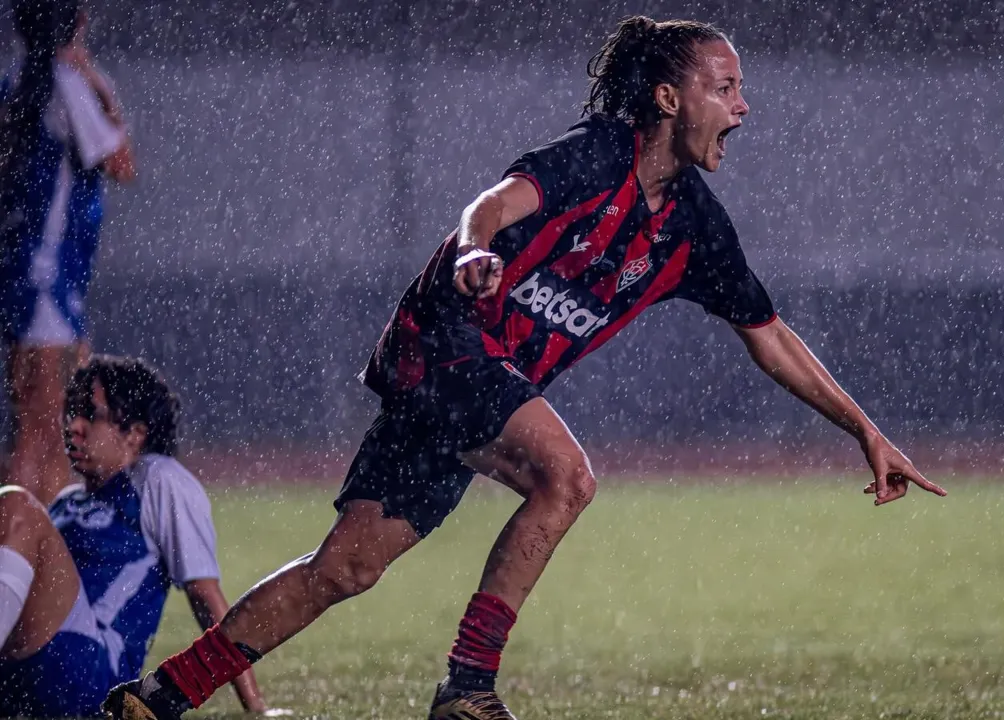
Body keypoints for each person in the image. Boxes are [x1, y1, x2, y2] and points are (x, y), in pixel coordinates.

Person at [103, 15, 947, 720]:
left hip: (469, 379)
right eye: (725, 88)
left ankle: (161, 696)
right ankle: (468, 687)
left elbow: (769, 337)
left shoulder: (693, 227)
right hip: (446, 340)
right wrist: (474, 249)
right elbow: (496, 203)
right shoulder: (596, 154)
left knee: (347, 566)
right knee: (567, 478)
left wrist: (864, 430)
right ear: (667, 96)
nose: (743, 107)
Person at [0, 355, 267, 717]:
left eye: (91, 415)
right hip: (27, 676)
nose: (73, 426)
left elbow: (205, 597)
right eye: (72, 412)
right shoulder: (67, 502)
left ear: (134, 435)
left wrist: (256, 706)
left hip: (92, 674)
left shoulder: (159, 480)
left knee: (14, 505)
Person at [0, 0, 135, 506]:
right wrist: (95, 78)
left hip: (24, 273)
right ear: (75, 24)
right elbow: (122, 162)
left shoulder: (16, 80)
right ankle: (28, 555)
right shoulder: (66, 85)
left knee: (35, 426)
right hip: (49, 278)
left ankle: (31, 551)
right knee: (49, 432)